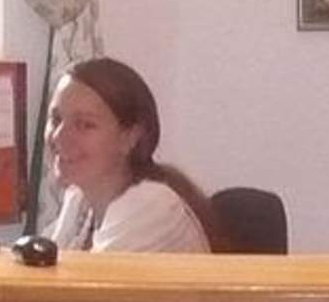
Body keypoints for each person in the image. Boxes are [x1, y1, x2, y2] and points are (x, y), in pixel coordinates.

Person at [44, 58, 218, 253]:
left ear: (130, 138)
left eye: (85, 124)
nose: (58, 136)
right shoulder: (79, 200)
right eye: (56, 119)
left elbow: (90, 273)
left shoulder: (153, 206)